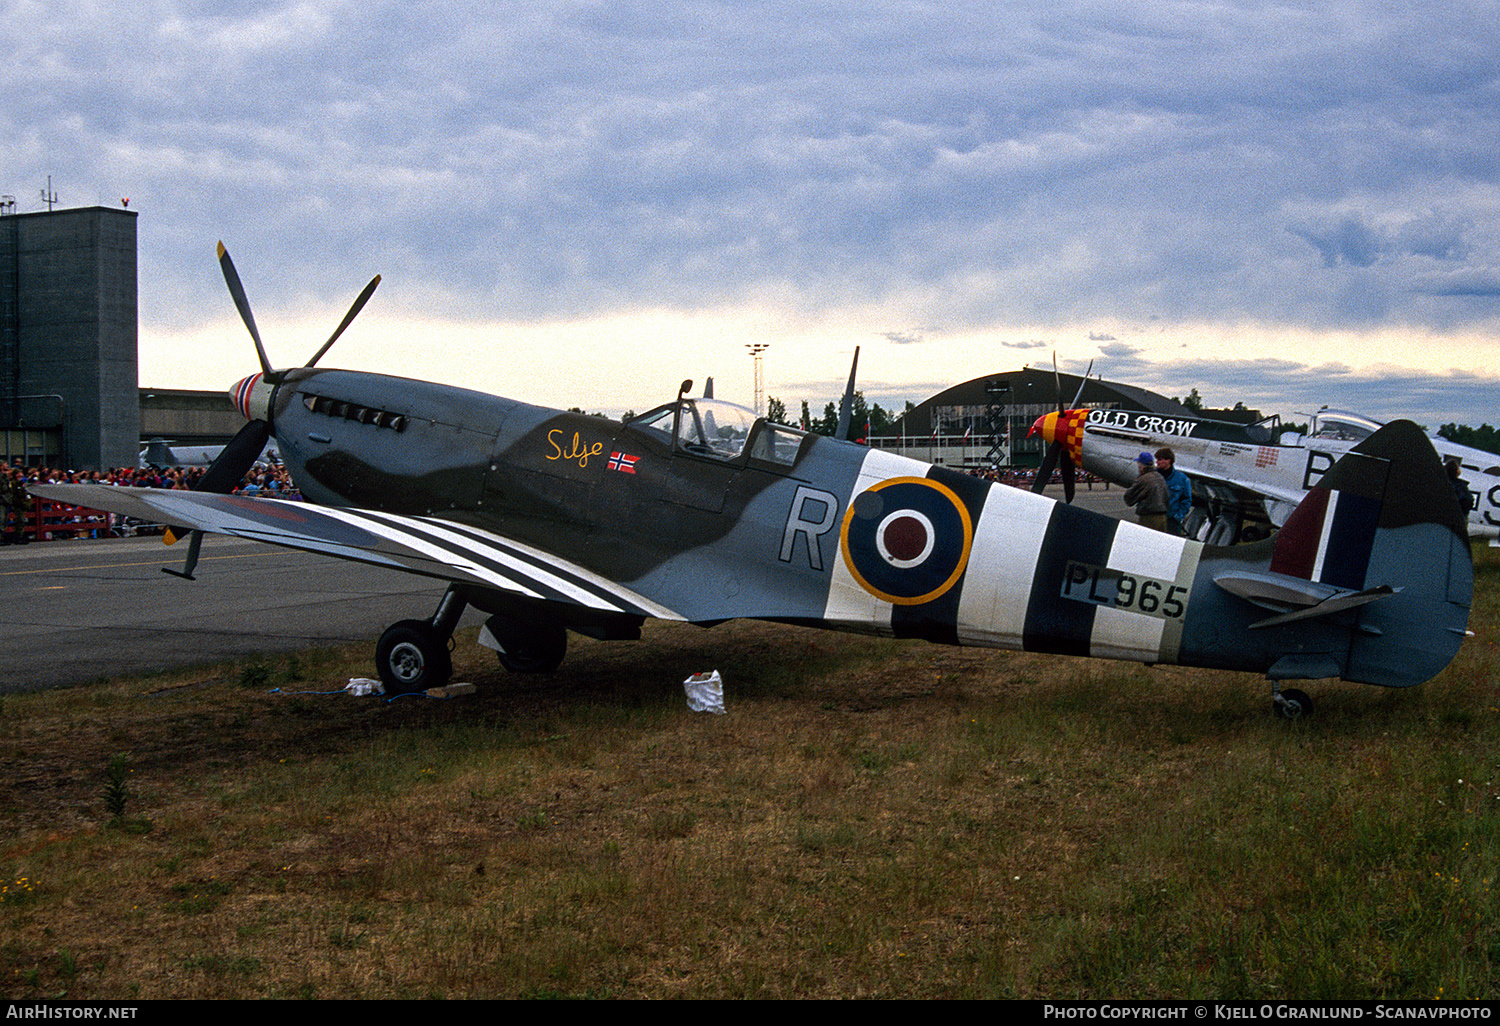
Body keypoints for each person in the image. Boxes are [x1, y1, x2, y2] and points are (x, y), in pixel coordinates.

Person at [1123, 451, 1169, 532]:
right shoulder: (1160, 477)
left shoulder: (1143, 479)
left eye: (1138, 464)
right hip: (1163, 518)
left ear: (1142, 466)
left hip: (1149, 519)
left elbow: (1128, 499)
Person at [1155, 447, 1193, 536]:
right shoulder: (1152, 476)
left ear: (1168, 461)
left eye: (1159, 460)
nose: (1157, 462)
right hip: (1153, 519)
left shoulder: (1182, 479)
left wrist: (1177, 518)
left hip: (1171, 523)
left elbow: (1187, 500)